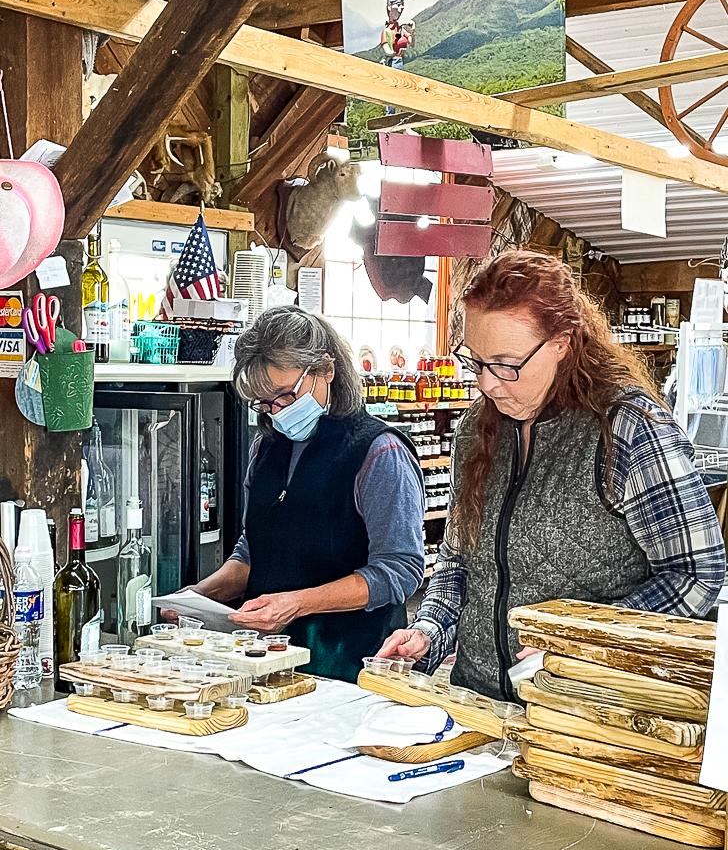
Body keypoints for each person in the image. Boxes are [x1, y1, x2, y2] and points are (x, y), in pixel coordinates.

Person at [378, 250, 726, 701]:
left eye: (506, 363)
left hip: (584, 712)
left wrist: (581, 646)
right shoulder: (475, 430)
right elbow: (459, 559)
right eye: (476, 360)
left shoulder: (625, 430)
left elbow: (696, 573)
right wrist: (430, 628)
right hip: (479, 704)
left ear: (562, 343)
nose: (487, 383)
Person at [167, 307, 425, 683]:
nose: (277, 412)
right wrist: (199, 597)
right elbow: (255, 550)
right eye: (264, 404)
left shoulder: (379, 452)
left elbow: (399, 571)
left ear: (326, 370)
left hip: (352, 663)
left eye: (285, 396)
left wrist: (296, 603)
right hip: (267, 662)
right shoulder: (266, 449)